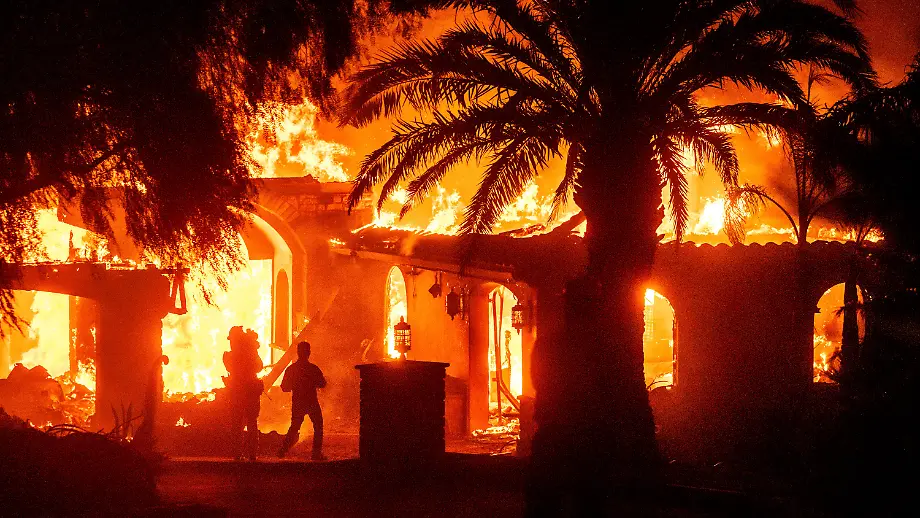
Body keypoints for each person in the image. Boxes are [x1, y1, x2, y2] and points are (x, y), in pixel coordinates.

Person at [278, 341, 326, 460]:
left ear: (298, 353)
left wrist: (295, 385)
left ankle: (283, 450)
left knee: (295, 427)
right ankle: (316, 454)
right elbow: (322, 383)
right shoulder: (313, 368)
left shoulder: (291, 369)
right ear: (309, 352)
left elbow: (284, 388)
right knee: (318, 426)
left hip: (298, 402)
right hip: (311, 402)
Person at [223, 326, 263, 461]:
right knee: (251, 422)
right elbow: (259, 367)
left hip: (237, 391)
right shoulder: (250, 354)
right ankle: (252, 454)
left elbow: (230, 367)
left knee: (237, 422)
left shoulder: (231, 356)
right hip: (250, 390)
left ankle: (238, 453)